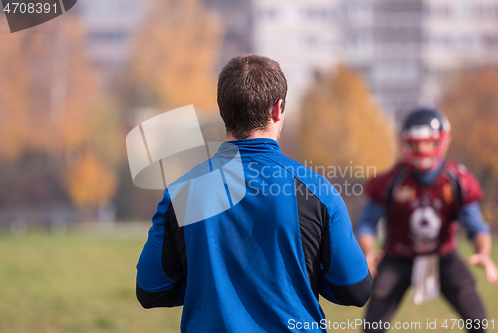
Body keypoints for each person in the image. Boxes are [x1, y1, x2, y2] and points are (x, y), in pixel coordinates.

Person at [136, 54, 371, 332]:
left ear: (223, 110)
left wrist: (208, 282)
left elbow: (151, 291)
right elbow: (355, 291)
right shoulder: (318, 192)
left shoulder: (181, 194)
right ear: (278, 109)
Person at [355, 106, 498, 333]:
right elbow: (366, 224)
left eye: (428, 142)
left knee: (478, 321)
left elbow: (476, 226)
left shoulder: (456, 180)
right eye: (414, 143)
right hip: (398, 254)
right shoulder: (392, 181)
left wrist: (483, 252)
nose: (421, 148)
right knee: (373, 326)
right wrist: (367, 251)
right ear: (404, 143)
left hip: (443, 254)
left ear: (441, 141)